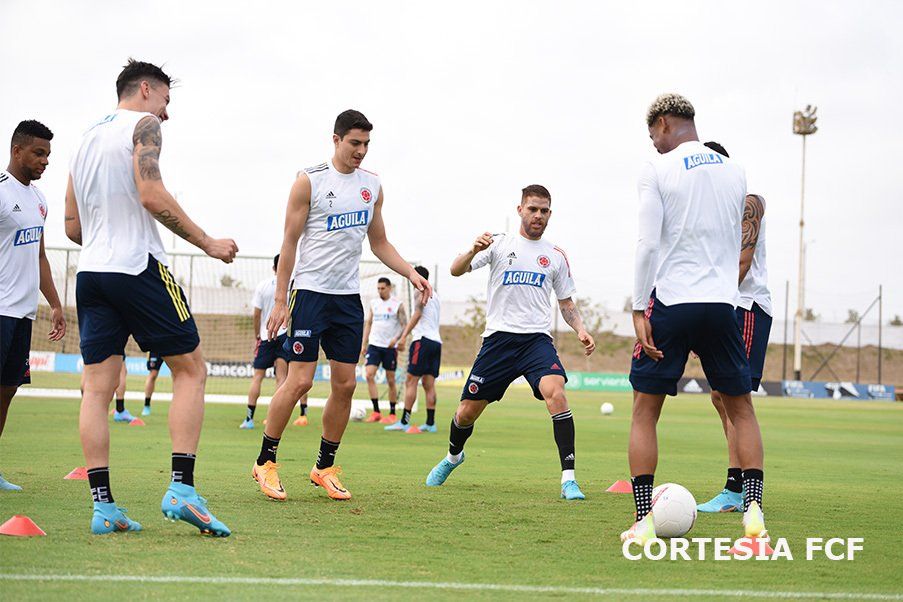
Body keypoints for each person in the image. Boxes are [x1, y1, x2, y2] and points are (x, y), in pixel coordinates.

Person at [66, 58, 237, 535]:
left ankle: (103, 507)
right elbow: (151, 194)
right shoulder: (141, 125)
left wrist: (105, 242)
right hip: (137, 265)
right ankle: (182, 489)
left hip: (92, 273)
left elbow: (72, 224)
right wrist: (208, 242)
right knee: (192, 369)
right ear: (146, 90)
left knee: (96, 389)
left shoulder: (83, 139)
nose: (166, 114)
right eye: (166, 101)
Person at [251, 109, 431, 502]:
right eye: (354, 143)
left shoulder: (372, 186)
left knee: (346, 384)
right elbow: (289, 242)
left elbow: (379, 243)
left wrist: (411, 274)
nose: (361, 151)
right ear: (335, 140)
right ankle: (265, 461)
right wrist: (281, 298)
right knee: (298, 380)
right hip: (311, 294)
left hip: (348, 299)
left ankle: (324, 467)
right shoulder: (308, 181)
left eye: (366, 144)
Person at [623, 94, 766, 544]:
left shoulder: (658, 170)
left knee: (645, 411)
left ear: (664, 124)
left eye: (653, 137)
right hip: (724, 305)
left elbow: (648, 244)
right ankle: (754, 519)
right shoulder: (735, 170)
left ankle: (645, 520)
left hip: (673, 301)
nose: (655, 146)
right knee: (741, 410)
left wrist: (637, 306)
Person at [424, 185, 595, 501]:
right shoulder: (499, 244)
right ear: (520, 210)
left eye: (544, 211)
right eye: (533, 209)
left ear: (550, 214)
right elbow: (455, 270)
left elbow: (566, 303)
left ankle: (568, 480)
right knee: (465, 414)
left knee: (556, 392)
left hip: (536, 342)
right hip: (498, 341)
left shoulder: (556, 256)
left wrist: (580, 329)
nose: (538, 216)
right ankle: (452, 458)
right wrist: (473, 250)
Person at [696, 142, 772, 513]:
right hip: (723, 307)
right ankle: (737, 487)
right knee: (719, 396)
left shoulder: (748, 203)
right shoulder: (708, 212)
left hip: (744, 307)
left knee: (735, 399)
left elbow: (742, 262)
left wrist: (712, 309)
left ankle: (740, 489)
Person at [0, 120, 66, 491]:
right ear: (17, 151)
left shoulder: (39, 200)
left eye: (48, 155)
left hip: (23, 313)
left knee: (7, 390)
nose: (45, 161)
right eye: (39, 153)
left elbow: (39, 256)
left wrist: (55, 304)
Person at [241, 254, 308, 429]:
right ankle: (273, 419)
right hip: (285, 334)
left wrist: (258, 334)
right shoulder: (294, 286)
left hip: (266, 334)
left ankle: (249, 419)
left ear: (273, 268)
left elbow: (256, 314)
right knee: (282, 378)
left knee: (257, 377)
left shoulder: (263, 286)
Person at [385, 266, 441, 433]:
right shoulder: (435, 295)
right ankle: (430, 423)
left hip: (422, 340)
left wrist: (403, 337)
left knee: (411, 380)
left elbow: (417, 314)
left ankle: (404, 421)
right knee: (429, 384)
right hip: (436, 342)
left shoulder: (420, 290)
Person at [361, 277, 405, 424]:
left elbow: (404, 325)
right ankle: (376, 411)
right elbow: (369, 323)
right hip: (374, 345)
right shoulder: (374, 304)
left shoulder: (397, 304)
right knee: (369, 375)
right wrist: (364, 343)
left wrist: (397, 339)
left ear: (389, 288)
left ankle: (392, 413)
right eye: (378, 288)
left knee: (390, 379)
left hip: (389, 347)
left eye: (383, 288)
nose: (380, 291)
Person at [143, 351, 162, 416]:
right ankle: (147, 405)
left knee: (176, 374)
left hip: (172, 345)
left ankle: (177, 404)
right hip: (156, 347)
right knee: (153, 375)